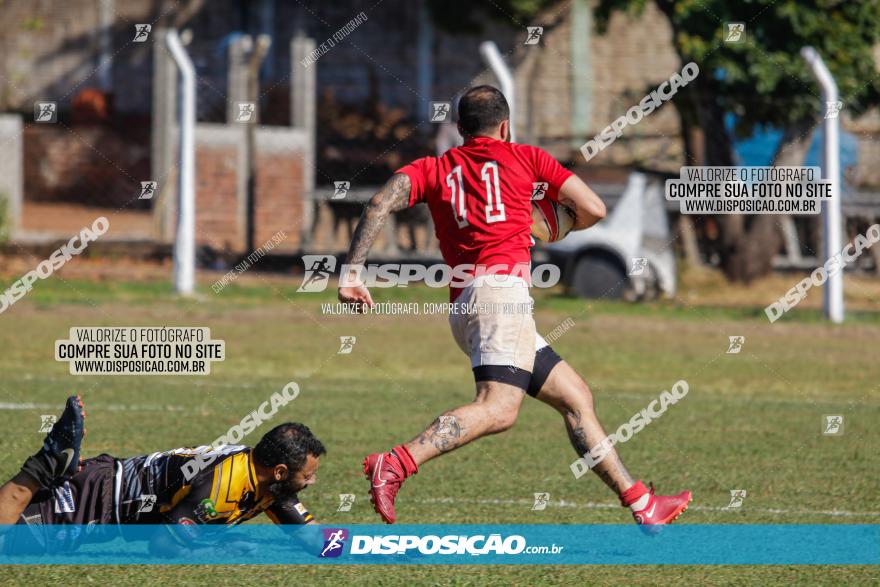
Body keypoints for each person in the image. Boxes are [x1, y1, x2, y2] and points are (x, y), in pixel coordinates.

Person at [339, 85, 692, 525]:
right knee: (499, 409)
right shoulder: (527, 158)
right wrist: (551, 226)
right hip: (498, 299)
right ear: (505, 126)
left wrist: (352, 273)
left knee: (575, 397)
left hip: (470, 303)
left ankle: (641, 502)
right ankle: (395, 463)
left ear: (460, 128)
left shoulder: (434, 168)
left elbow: (378, 203)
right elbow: (594, 208)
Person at [0, 396, 325, 553]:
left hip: (105, 493)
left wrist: (373, 540)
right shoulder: (222, 488)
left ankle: (52, 462)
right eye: (307, 476)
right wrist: (217, 548)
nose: (311, 482)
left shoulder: (268, 484)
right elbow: (162, 546)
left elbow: (317, 543)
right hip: (96, 500)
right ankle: (46, 462)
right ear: (281, 471)